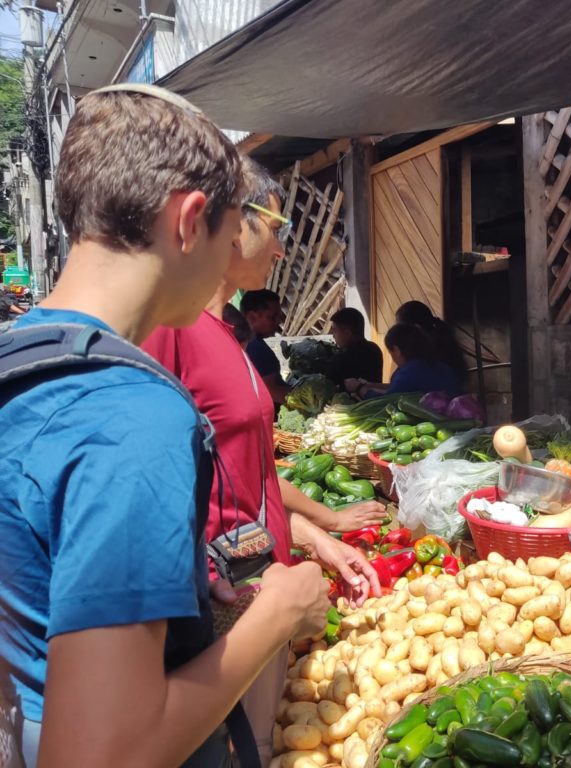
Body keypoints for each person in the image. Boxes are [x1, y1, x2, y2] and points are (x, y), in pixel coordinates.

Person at [0, 85, 330, 768]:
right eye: (233, 225)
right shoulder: (132, 416)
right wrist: (280, 612)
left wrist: (177, 582)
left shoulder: (21, 357)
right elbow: (103, 756)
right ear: (189, 221)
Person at [143, 157, 385, 764]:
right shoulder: (171, 328)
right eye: (277, 228)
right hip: (229, 600)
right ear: (232, 222)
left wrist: (319, 538)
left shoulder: (228, 334)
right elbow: (154, 481)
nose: (281, 249)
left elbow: (252, 475)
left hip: (264, 583)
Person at [346, 323, 461, 399]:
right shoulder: (439, 365)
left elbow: (387, 402)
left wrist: (359, 388)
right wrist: (372, 385)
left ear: (396, 350)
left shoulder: (409, 372)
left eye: (390, 353)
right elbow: (399, 388)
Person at [395, 300, 467, 384]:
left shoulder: (426, 355)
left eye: (401, 329)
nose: (399, 334)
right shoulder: (443, 344)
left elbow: (403, 387)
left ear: (416, 328)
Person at [240, 289, 290, 405]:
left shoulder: (242, 342)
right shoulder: (257, 349)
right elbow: (272, 391)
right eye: (272, 317)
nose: (278, 322)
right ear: (252, 317)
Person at [321, 307, 383, 386]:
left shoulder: (340, 360)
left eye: (335, 330)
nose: (333, 335)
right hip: (375, 396)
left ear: (347, 333)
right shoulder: (374, 349)